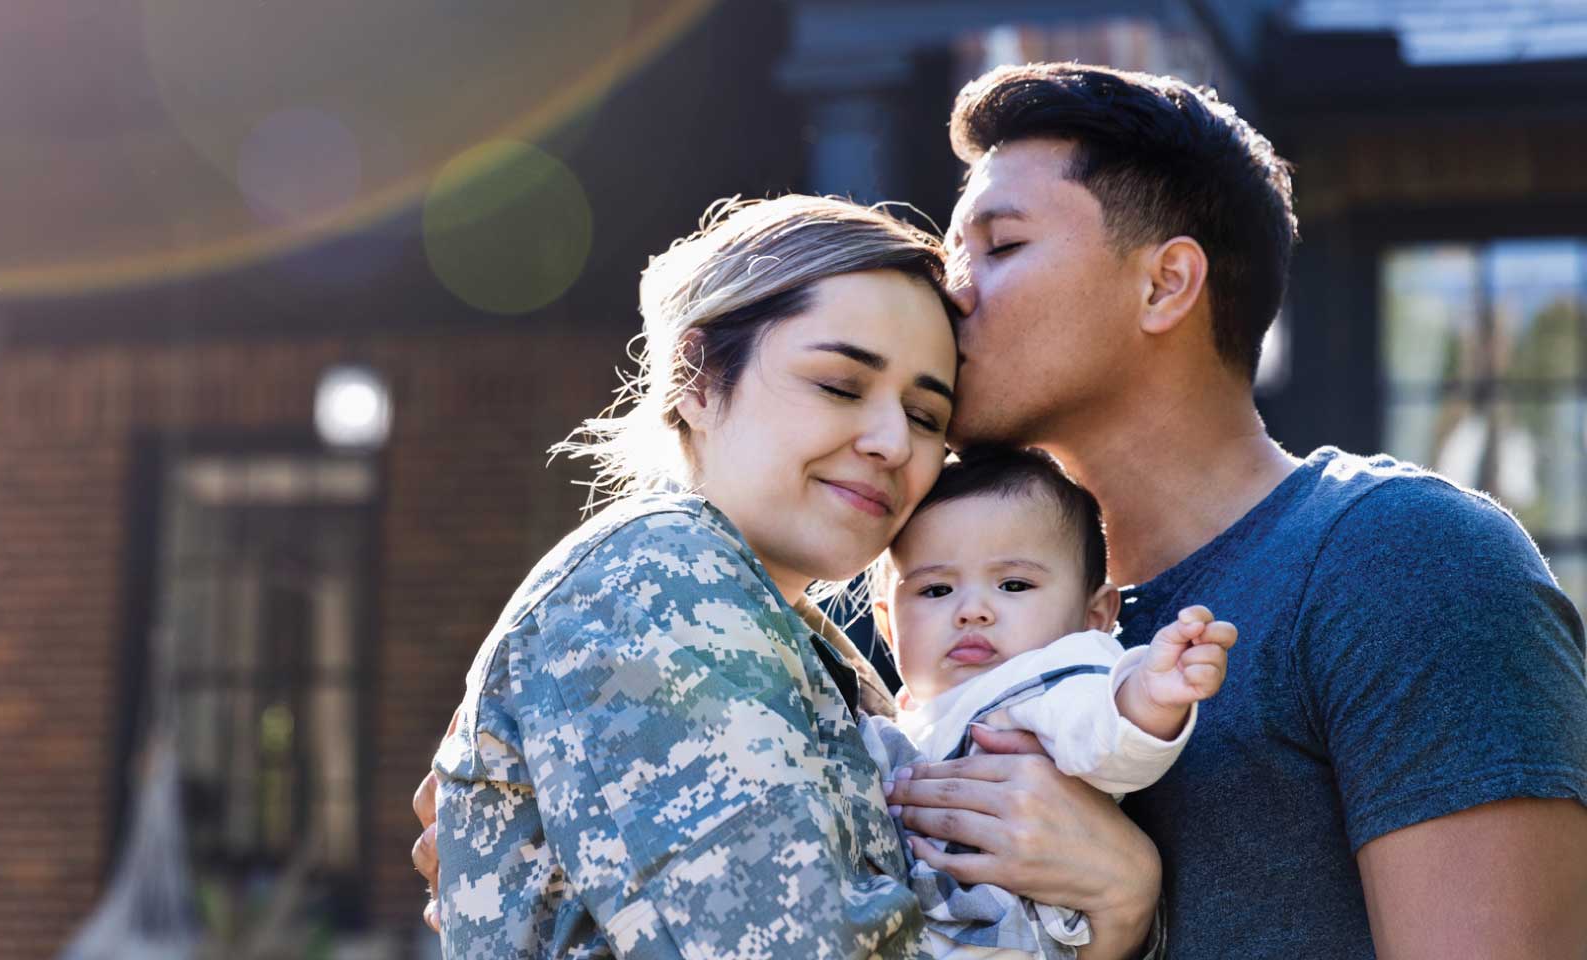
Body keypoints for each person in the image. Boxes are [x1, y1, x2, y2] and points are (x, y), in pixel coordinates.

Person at [876, 63, 1587, 959]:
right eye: (949, 258)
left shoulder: (1407, 563)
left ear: (1167, 284)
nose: (953, 293)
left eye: (1002, 247)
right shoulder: (927, 611)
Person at [425, 194, 1160, 959]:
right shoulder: (656, 581)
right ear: (697, 380)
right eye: (841, 386)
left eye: (925, 417)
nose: (889, 442)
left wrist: (1117, 888)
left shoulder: (809, 643)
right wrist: (1120, 902)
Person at [862, 444, 1234, 960]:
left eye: (1014, 584)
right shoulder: (907, 715)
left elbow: (1102, 733)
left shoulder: (1045, 677)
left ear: (1096, 616)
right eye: (936, 590)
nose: (972, 610)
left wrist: (1149, 693)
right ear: (888, 624)